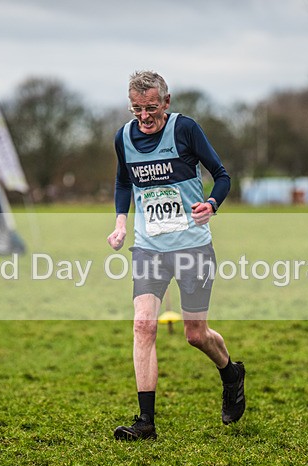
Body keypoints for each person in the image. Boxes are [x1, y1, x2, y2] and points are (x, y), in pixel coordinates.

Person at [107, 70, 243, 440]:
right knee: (143, 325)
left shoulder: (185, 130)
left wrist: (211, 204)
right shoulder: (123, 137)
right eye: (137, 109)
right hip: (148, 248)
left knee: (195, 334)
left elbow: (222, 175)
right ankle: (145, 422)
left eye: (151, 108)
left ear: (166, 102)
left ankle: (231, 373)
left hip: (192, 246)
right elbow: (123, 182)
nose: (144, 116)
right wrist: (120, 224)